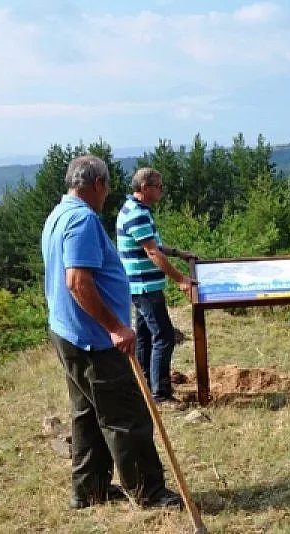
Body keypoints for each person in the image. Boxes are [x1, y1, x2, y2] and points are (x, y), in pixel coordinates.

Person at [41, 155, 182, 509]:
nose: (107, 195)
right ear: (98, 184)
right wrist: (116, 327)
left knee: (88, 414)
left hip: (69, 333)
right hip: (94, 340)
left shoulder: (58, 214)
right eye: (107, 187)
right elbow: (77, 281)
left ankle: (91, 489)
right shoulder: (82, 219)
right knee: (127, 417)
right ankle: (149, 492)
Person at [116, 168, 198, 409]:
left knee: (145, 337)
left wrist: (178, 253)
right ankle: (160, 394)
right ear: (144, 187)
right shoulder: (138, 214)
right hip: (145, 287)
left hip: (139, 286)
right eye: (158, 186)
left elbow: (154, 245)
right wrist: (181, 279)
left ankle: (143, 386)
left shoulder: (133, 209)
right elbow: (152, 252)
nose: (162, 191)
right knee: (164, 337)